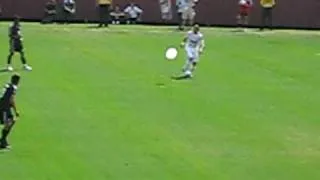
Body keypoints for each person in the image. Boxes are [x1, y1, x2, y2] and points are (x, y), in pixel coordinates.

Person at [0, 74, 21, 150]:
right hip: (4, 108)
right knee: (9, 123)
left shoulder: (7, 85)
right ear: (17, 81)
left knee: (9, 122)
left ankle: (3, 140)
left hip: (3, 106)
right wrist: (16, 111)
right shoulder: (13, 88)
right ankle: (2, 141)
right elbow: (11, 100)